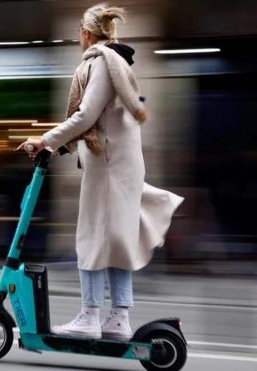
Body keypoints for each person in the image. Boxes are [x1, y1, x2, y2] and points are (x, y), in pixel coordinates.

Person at [17, 3, 183, 340]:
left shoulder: (101, 63)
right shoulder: (115, 62)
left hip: (108, 166)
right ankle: (118, 318)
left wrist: (44, 140)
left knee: (90, 238)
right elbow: (96, 120)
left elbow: (86, 116)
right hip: (117, 163)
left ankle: (90, 316)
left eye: (79, 31)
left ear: (85, 33)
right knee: (117, 240)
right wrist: (57, 147)